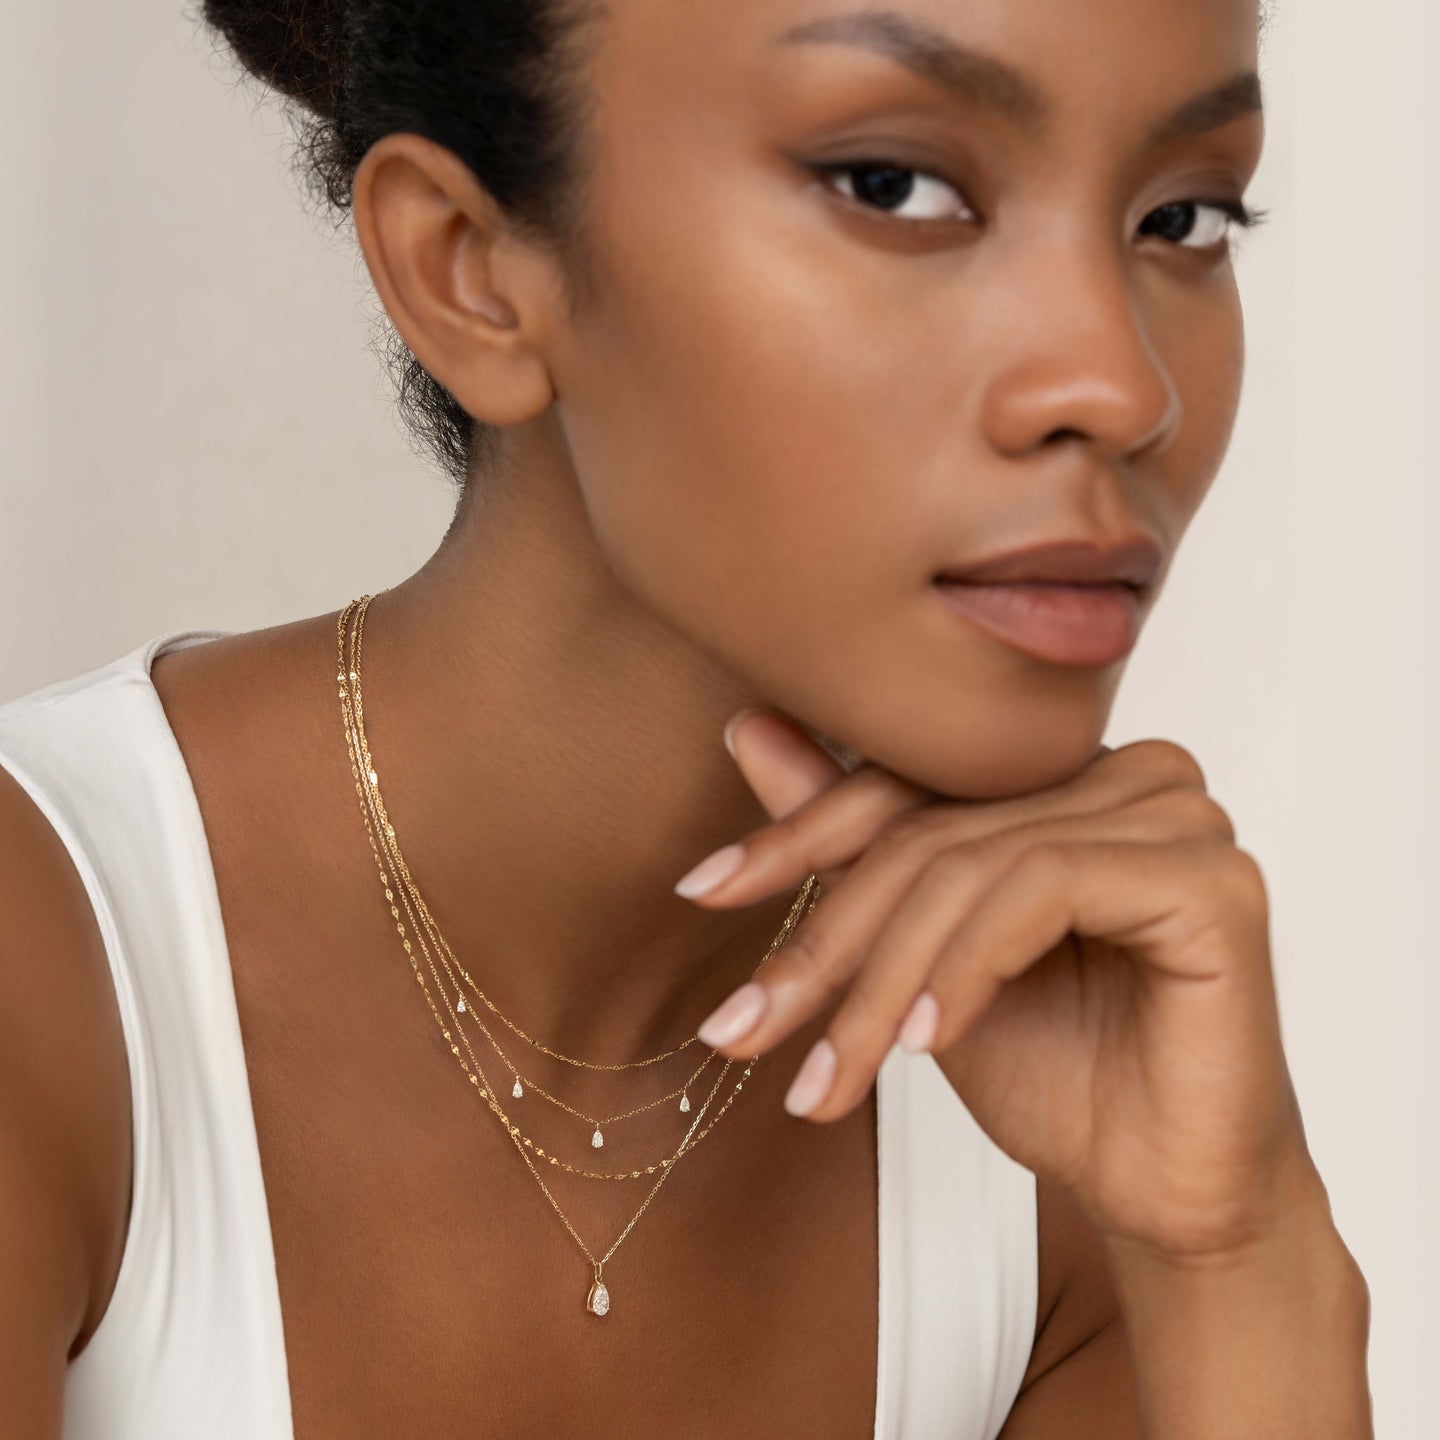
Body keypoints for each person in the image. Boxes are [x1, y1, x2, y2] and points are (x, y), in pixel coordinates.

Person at [0, 0, 1374, 1435]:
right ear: (468, 271)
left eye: (1184, 218)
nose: (1118, 383)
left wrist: (1240, 1259)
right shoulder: (49, 970)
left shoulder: (1056, 1128)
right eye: (894, 186)